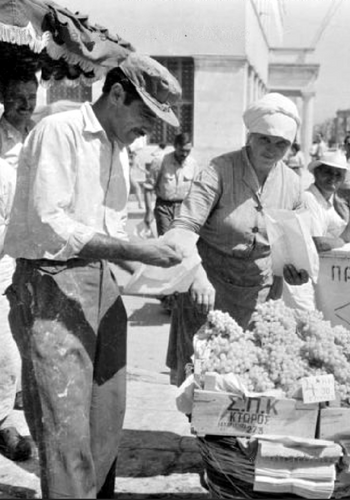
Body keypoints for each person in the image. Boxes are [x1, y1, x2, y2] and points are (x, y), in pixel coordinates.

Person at [3, 53, 187, 499]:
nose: (149, 129)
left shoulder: (119, 151)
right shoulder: (59, 131)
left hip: (101, 283)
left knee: (107, 417)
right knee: (64, 428)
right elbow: (51, 222)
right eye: (145, 115)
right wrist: (133, 249)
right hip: (51, 285)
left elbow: (110, 230)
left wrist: (150, 263)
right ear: (117, 94)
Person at [163, 92, 309, 386]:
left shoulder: (292, 184)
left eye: (281, 143)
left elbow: (298, 239)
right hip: (209, 287)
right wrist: (198, 277)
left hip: (261, 292)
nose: (271, 148)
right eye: (264, 139)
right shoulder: (219, 170)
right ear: (250, 136)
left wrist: (296, 269)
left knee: (251, 372)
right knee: (204, 372)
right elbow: (183, 229)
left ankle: (237, 432)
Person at [0, 72, 39, 463]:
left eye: (31, 96)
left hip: (28, 254)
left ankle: (12, 407)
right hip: (1, 255)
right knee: (5, 351)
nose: (25, 105)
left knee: (26, 340)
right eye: (17, 97)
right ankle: (3, 426)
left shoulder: (37, 139)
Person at [282, 150, 350, 310]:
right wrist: (339, 241)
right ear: (316, 172)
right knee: (305, 324)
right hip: (295, 276)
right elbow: (318, 243)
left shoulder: (324, 203)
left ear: (343, 179)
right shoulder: (309, 198)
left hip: (305, 275)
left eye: (338, 175)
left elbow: (347, 233)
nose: (333, 178)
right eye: (328, 172)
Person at [145, 132, 198, 236]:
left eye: (188, 151)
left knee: (183, 242)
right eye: (182, 150)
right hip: (164, 207)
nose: (185, 154)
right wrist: (148, 212)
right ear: (175, 146)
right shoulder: (160, 161)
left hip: (184, 209)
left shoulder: (193, 164)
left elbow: (196, 192)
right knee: (166, 242)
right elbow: (148, 188)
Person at [0, 72, 38, 169]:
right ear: (2, 98)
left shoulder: (38, 131)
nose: (27, 105)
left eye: (31, 97)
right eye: (19, 98)